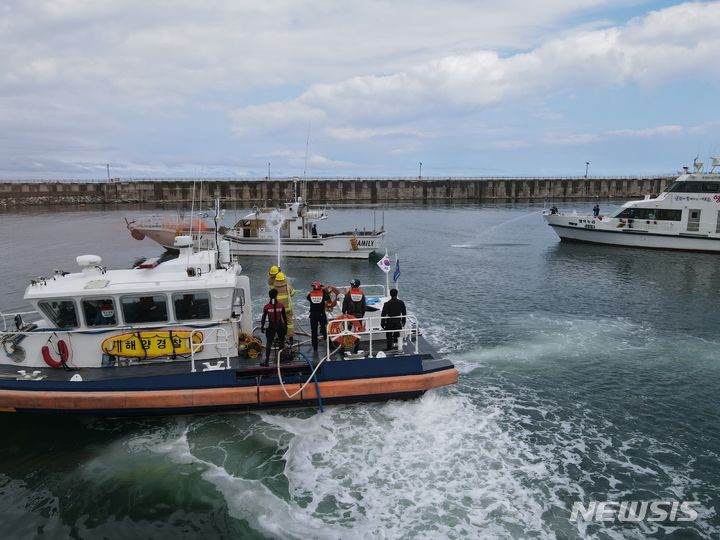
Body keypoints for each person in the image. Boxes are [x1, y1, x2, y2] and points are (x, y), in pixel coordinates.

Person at [260, 289, 287, 366]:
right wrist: (286, 326)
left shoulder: (266, 307)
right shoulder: (281, 306)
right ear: (276, 295)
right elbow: (284, 317)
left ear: (269, 296)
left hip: (271, 326)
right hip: (280, 325)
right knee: (282, 341)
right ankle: (280, 358)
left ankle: (267, 361)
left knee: (269, 343)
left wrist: (262, 326)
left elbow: (264, 318)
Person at [307, 281, 330, 351]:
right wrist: (324, 291)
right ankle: (328, 341)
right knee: (323, 328)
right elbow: (328, 298)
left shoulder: (310, 295)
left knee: (314, 331)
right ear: (320, 287)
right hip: (321, 314)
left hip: (313, 315)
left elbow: (308, 298)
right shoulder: (323, 294)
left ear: (313, 287)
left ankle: (315, 347)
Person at [273, 272, 296, 339]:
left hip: (278, 309)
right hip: (287, 309)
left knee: (279, 322)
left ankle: (280, 337)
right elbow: (293, 293)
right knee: (290, 323)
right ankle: (290, 337)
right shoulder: (288, 287)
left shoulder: (274, 288)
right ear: (284, 279)